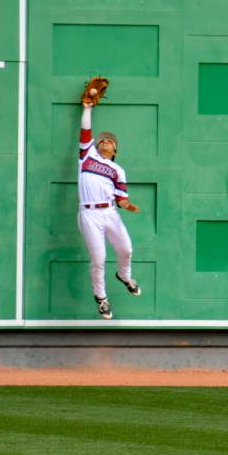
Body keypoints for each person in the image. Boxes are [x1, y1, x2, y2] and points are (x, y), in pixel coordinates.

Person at [77, 99, 141, 319]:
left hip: (110, 212)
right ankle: (101, 298)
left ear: (115, 150)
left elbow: (121, 198)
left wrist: (127, 205)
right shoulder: (87, 155)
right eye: (102, 140)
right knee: (98, 260)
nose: (105, 141)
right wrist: (87, 109)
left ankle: (124, 276)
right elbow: (85, 130)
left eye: (109, 141)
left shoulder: (117, 170)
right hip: (89, 213)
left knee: (126, 249)